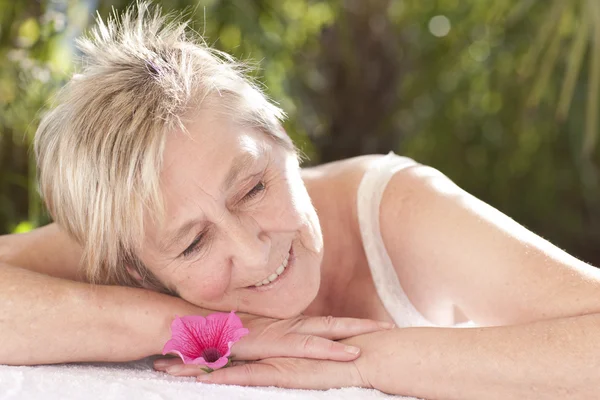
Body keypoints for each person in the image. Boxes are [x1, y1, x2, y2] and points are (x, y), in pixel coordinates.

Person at [1, 3, 599, 399]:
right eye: (192, 243)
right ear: (138, 269)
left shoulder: (397, 210)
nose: (255, 253)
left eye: (255, 187)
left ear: (284, 141)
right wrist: (193, 329)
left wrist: (366, 359)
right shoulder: (130, 232)